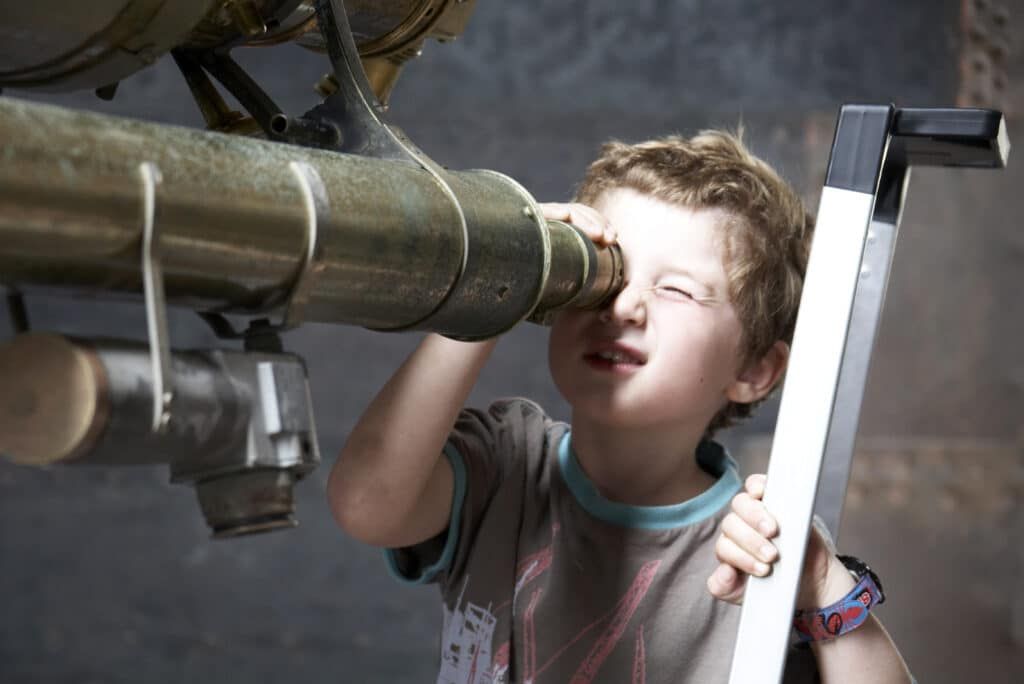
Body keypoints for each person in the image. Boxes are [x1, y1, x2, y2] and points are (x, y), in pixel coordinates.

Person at [327, 131, 914, 683]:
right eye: (605, 276)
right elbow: (365, 503)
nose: (623, 307)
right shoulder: (506, 465)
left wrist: (819, 583)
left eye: (675, 289)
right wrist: (498, 276)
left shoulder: (761, 540)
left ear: (753, 369)